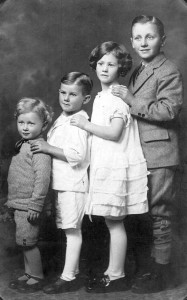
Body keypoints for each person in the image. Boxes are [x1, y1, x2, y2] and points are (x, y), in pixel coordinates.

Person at [112, 15, 183, 293]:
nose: (143, 42)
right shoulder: (139, 70)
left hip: (161, 153)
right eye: (138, 37)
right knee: (145, 213)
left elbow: (168, 110)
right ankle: (150, 269)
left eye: (149, 36)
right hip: (140, 153)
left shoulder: (168, 70)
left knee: (160, 213)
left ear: (162, 40)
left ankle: (163, 272)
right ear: (131, 41)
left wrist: (130, 100)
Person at [70, 41, 149, 293]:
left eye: (111, 64)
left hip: (116, 165)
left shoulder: (116, 96)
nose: (104, 68)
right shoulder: (103, 96)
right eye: (101, 63)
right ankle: (112, 272)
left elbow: (114, 133)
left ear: (121, 67)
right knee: (111, 222)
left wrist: (84, 125)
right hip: (105, 164)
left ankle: (116, 275)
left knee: (115, 222)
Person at [30, 72, 92, 294]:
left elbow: (76, 155)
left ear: (85, 99)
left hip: (73, 185)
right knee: (68, 230)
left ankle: (68, 277)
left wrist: (47, 148)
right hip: (62, 184)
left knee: (72, 231)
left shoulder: (79, 121)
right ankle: (69, 274)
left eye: (73, 94)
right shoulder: (63, 118)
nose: (66, 98)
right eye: (63, 92)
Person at [6, 98, 53, 293]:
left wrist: (35, 205)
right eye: (21, 122)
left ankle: (37, 276)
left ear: (43, 124)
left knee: (29, 243)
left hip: (29, 206)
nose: (25, 127)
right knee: (24, 242)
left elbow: (42, 180)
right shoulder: (23, 144)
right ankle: (29, 272)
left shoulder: (38, 149)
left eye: (31, 123)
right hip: (20, 203)